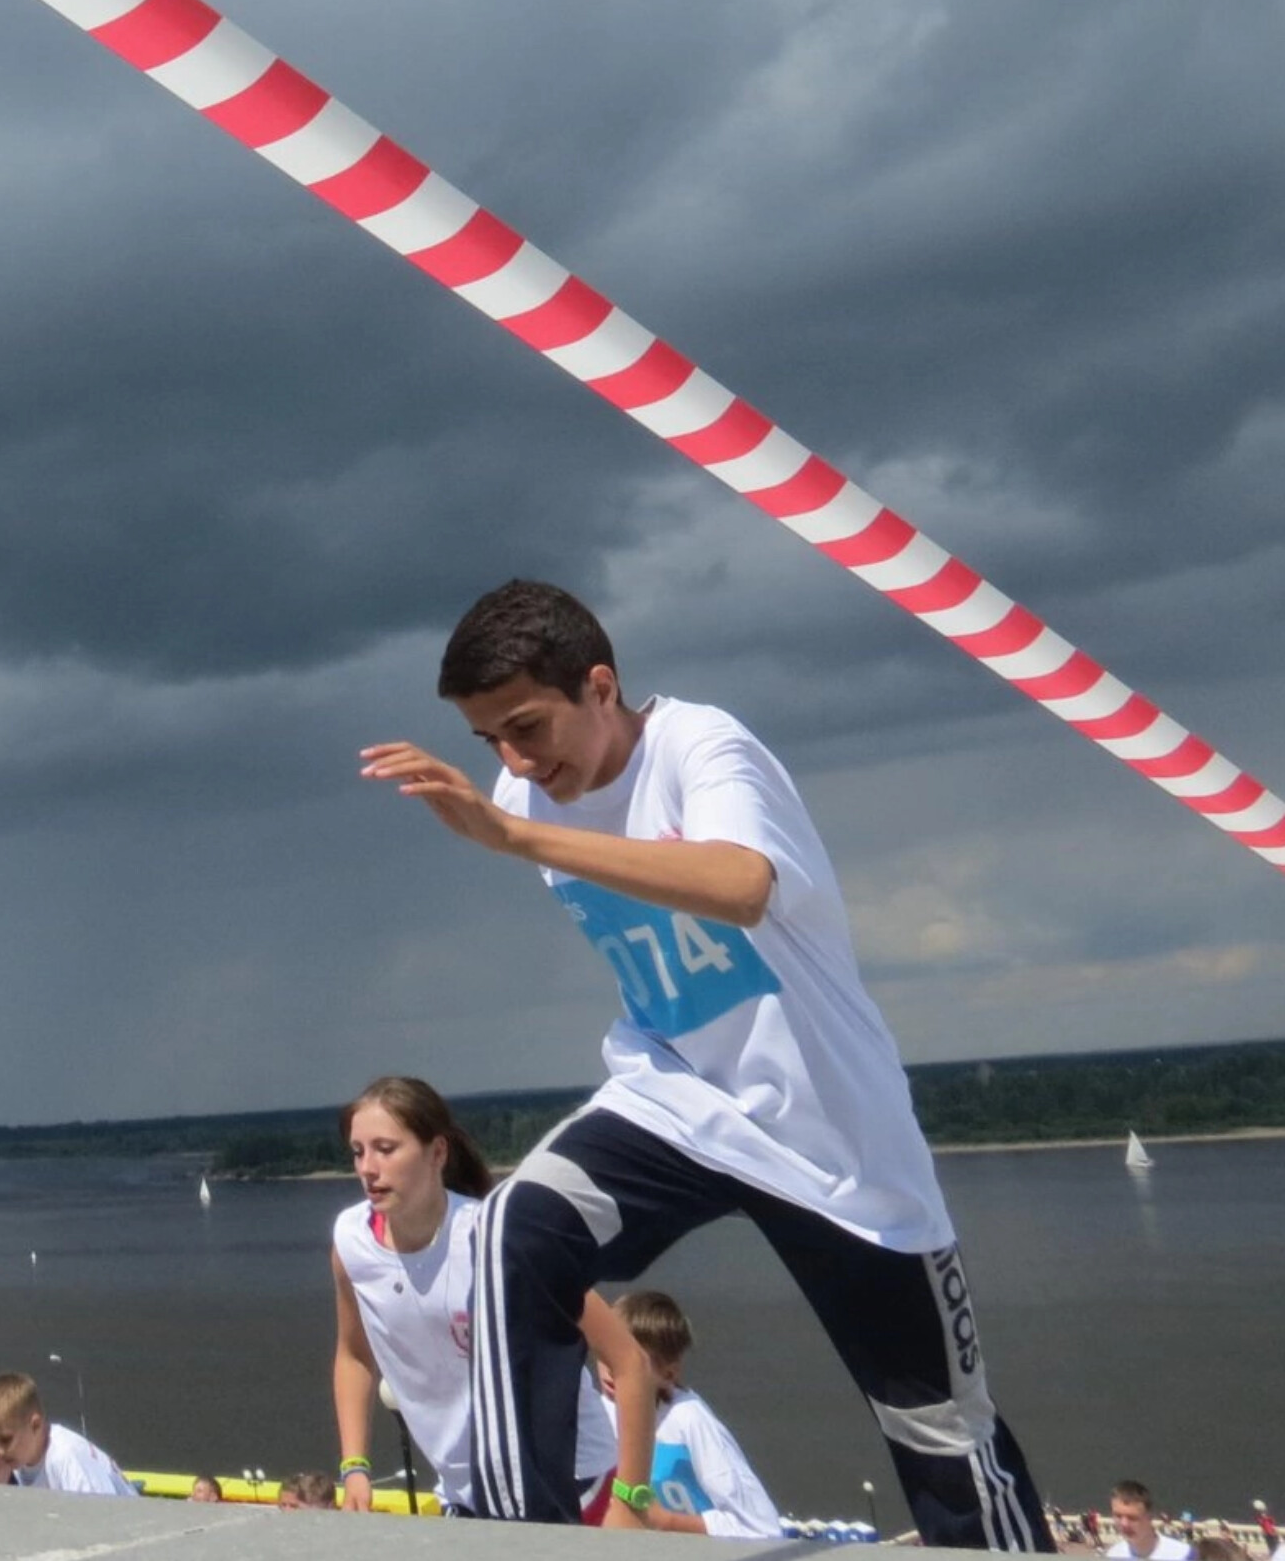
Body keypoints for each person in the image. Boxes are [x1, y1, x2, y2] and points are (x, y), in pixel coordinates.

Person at [360, 579, 1047, 1547]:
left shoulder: (702, 747)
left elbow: (741, 882)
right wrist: (520, 816)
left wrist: (516, 835)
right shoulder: (528, 790)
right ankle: (523, 1536)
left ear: (601, 685)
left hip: (831, 1139)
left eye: (527, 725)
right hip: (679, 1098)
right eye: (489, 743)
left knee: (942, 1435)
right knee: (517, 1229)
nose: (514, 761)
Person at [327, 1076, 653, 1522]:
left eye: (386, 1149)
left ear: (437, 1153)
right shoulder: (351, 1243)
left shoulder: (500, 1240)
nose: (367, 1168)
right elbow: (355, 1356)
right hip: (467, 1497)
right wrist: (355, 1466)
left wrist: (630, 1503)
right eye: (358, 1151)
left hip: (571, 1488)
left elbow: (630, 1362)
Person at [605, 1289, 781, 1539]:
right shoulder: (599, 1414)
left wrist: (667, 1521)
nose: (612, 1372)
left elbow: (762, 1529)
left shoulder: (689, 1420)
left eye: (631, 1364)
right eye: (606, 1354)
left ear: (669, 1374)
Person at [0, 1371, 136, 1496]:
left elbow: (105, 1517)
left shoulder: (66, 1457)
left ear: (35, 1425)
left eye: (5, 1440)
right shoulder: (21, 1460)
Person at [1104, 1483, 1192, 1561]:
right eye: (1118, 1516)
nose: (1124, 1524)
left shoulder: (1182, 1555)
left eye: (1132, 1518)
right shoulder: (1113, 1555)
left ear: (1150, 1517)